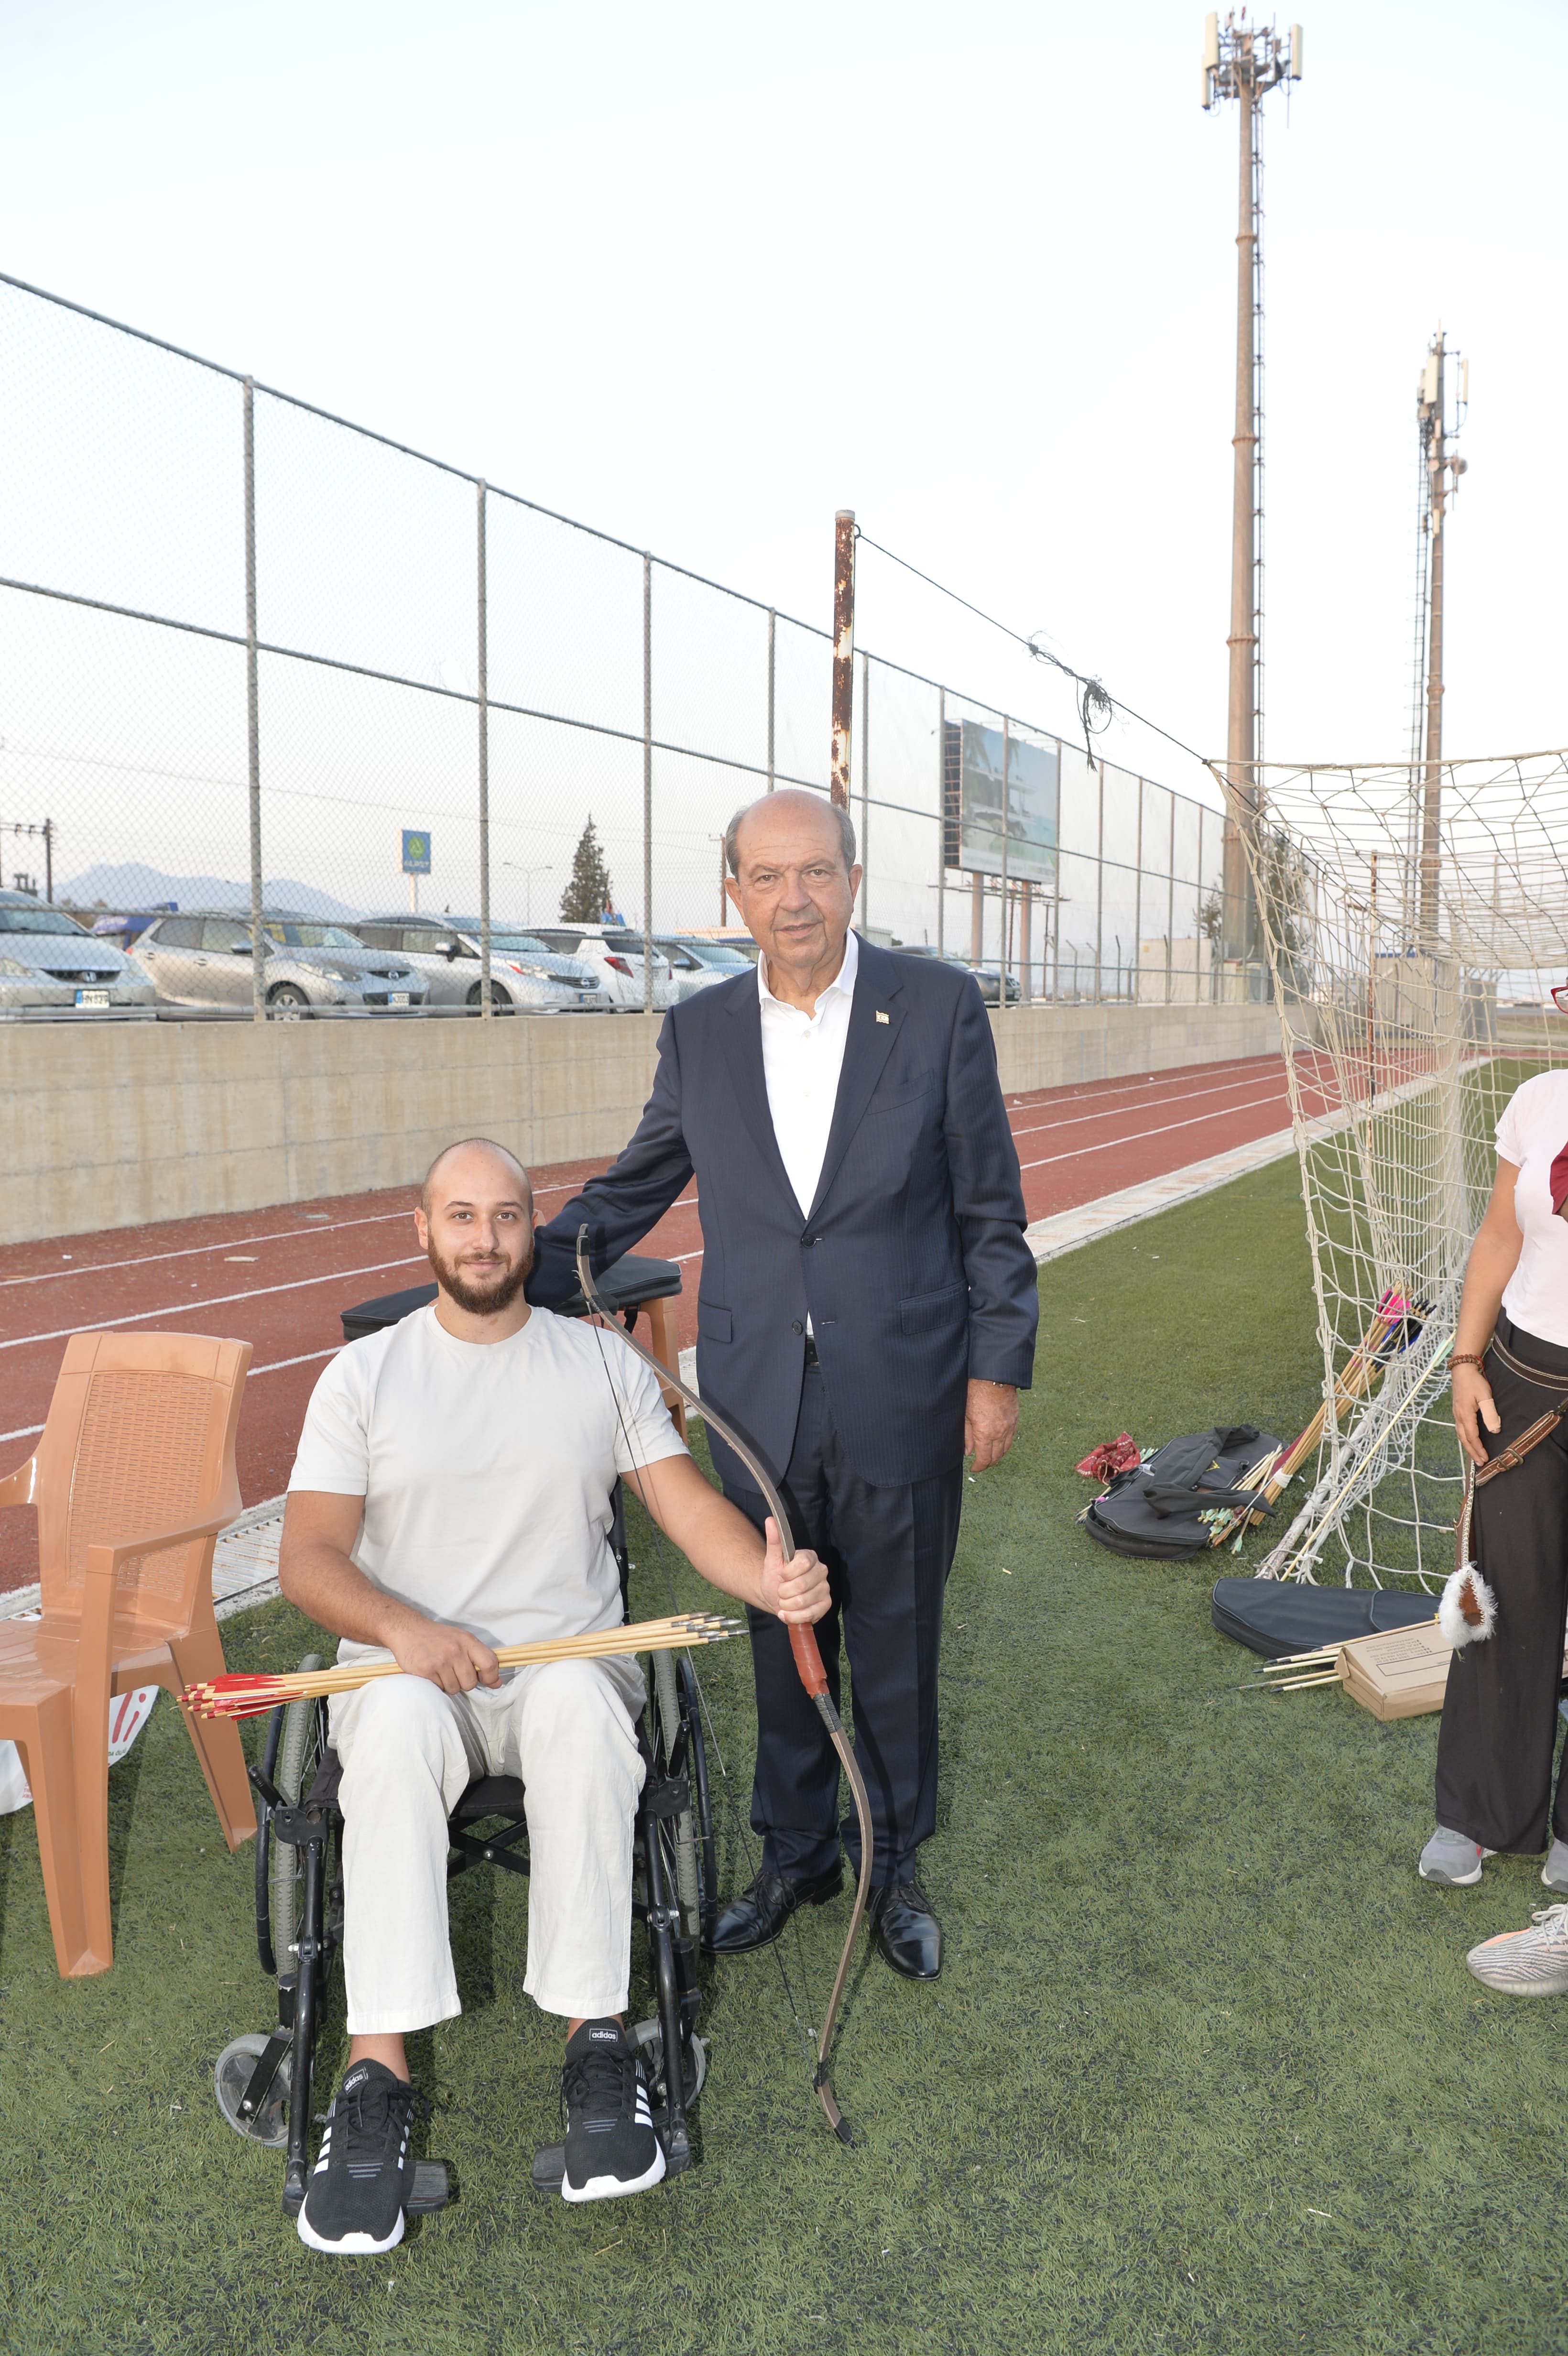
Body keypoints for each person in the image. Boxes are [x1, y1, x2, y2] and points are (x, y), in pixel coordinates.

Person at [279, 1136, 829, 2256]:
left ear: (535, 1230)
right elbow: (308, 1558)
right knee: (392, 1728)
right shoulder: (363, 1376)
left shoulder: (600, 1363)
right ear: (422, 1230)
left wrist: (768, 1579)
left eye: (506, 1215)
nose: (485, 1238)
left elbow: (683, 1506)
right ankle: (373, 2078)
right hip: (407, 1672)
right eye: (461, 1215)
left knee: (581, 1704)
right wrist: (404, 1629)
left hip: (564, 1662)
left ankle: (598, 2044)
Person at [528, 789, 1038, 1983]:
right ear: (734, 894)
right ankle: (796, 1849)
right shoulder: (700, 1030)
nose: (792, 898)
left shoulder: (936, 1007)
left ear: (852, 880)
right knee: (776, 1621)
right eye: (766, 877)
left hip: (905, 1377)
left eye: (814, 872)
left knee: (897, 1635)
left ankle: (889, 1862)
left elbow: (989, 1208)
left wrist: (994, 1371)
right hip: (756, 1387)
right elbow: (635, 1185)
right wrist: (505, 1275)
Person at [1418, 1052, 1568, 1938]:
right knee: (1503, 1598)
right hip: (1525, 1375)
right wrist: (1466, 1361)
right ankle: (1479, 1812)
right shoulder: (1540, 1099)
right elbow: (1500, 1237)